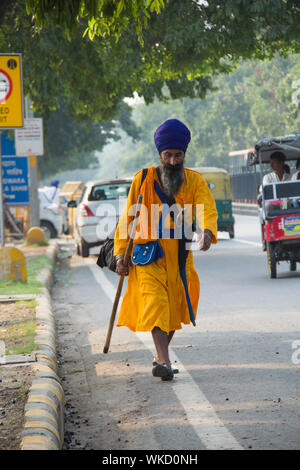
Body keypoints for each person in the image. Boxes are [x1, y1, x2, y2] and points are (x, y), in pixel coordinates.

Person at [113, 119, 218, 381]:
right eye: (168, 155)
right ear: (160, 154)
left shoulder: (194, 180)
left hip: (180, 257)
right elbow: (127, 218)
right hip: (148, 256)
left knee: (174, 310)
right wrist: (119, 254)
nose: (172, 161)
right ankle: (165, 361)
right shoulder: (143, 178)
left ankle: (160, 357)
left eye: (178, 155)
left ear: (184, 154)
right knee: (156, 304)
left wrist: (206, 232)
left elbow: (207, 208)